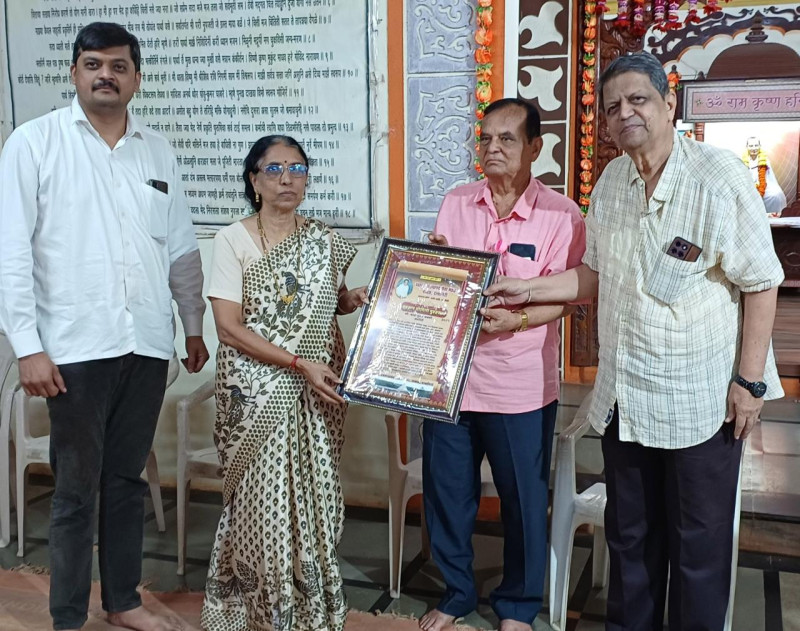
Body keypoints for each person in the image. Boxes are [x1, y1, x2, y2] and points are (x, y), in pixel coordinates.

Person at [486, 52, 784, 630]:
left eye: (638, 99)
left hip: (700, 403)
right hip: (626, 398)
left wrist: (749, 383)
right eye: (612, 106)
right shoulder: (612, 182)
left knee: (697, 550)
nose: (625, 113)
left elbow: (761, 282)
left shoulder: (718, 177)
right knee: (630, 542)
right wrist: (527, 289)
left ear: (669, 104)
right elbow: (594, 273)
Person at [0, 22, 208, 631]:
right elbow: (12, 254)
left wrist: (192, 325)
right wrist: (27, 347)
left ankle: (123, 603)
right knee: (74, 491)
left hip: (145, 343)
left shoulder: (157, 150)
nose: (105, 76)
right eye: (93, 65)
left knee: (125, 482)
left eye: (118, 66)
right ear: (74, 73)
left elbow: (181, 248)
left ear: (136, 78)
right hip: (72, 348)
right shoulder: (34, 144)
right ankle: (67, 616)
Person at [420, 98, 586, 631]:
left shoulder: (561, 214)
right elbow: (443, 280)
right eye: (486, 137)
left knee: (522, 500)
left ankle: (517, 605)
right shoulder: (456, 202)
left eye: (507, 138)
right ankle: (457, 594)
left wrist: (517, 320)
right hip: (449, 378)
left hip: (518, 384)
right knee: (448, 496)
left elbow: (570, 296)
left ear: (535, 147)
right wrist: (431, 267)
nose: (493, 147)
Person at [201, 135, 368, 631]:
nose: (287, 178)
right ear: (254, 181)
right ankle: (260, 614)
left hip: (316, 391)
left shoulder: (321, 239)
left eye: (297, 168)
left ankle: (311, 610)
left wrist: (354, 298)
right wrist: (298, 364)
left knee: (316, 501)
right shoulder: (232, 240)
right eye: (274, 169)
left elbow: (329, 302)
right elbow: (229, 328)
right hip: (255, 394)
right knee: (263, 511)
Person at [743, 136, 787, 215]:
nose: (754, 148)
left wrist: (761, 187)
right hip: (748, 187)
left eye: (756, 145)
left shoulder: (764, 160)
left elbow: (770, 177)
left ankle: (772, 215)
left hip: (764, 186)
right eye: (751, 146)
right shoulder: (743, 161)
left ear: (760, 146)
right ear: (747, 147)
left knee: (776, 194)